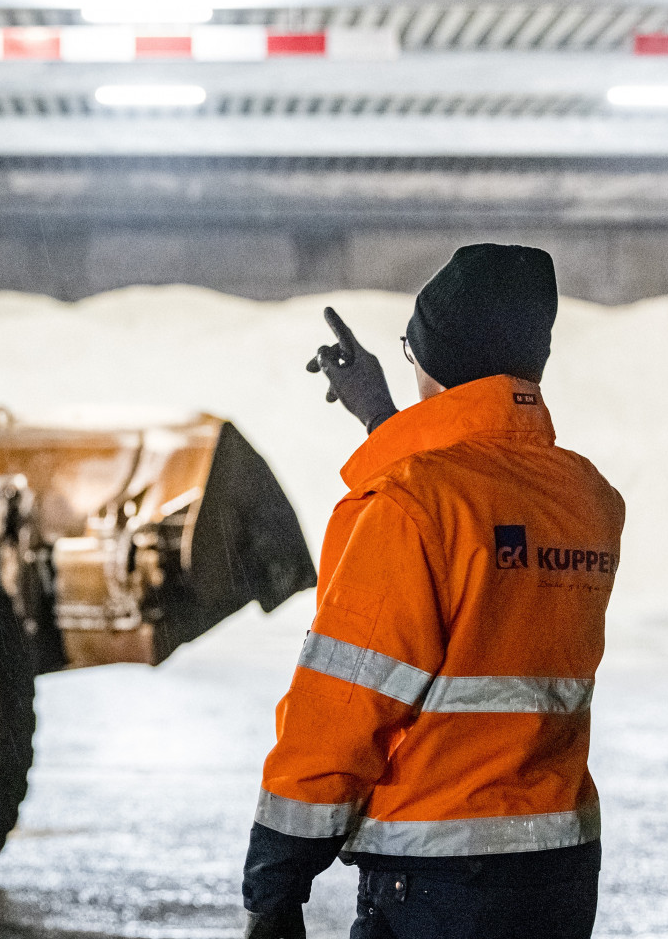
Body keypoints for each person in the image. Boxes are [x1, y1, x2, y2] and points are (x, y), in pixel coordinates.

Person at [243, 243, 625, 939]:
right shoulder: (589, 498)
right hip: (560, 871)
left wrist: (277, 878)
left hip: (437, 879)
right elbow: (481, 510)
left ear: (428, 358)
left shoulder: (407, 507)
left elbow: (346, 703)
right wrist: (383, 419)